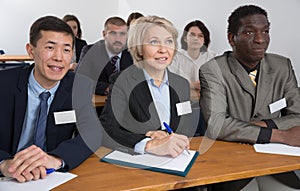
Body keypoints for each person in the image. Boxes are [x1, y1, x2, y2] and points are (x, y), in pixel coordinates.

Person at [199, 5, 300, 191]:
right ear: (232, 39)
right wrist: (281, 134)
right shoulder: (213, 70)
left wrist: (264, 125)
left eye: (265, 31)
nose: (260, 39)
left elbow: (298, 115)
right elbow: (217, 124)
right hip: (233, 164)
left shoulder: (282, 66)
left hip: (276, 161)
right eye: (249, 33)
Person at [0, 16, 101, 183]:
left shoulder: (79, 86)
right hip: (8, 177)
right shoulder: (4, 84)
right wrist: (4, 164)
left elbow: (92, 133)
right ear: (31, 51)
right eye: (50, 47)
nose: (59, 57)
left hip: (49, 177)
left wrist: (56, 159)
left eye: (66, 49)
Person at [100, 15, 198, 157]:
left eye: (169, 41)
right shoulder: (123, 81)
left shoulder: (181, 84)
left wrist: (168, 137)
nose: (163, 49)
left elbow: (186, 126)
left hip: (176, 157)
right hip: (141, 160)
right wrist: (148, 142)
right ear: (139, 48)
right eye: (154, 42)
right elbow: (107, 129)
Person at [76, 16, 133, 95]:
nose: (118, 39)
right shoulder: (90, 51)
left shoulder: (131, 52)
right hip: (99, 103)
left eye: (122, 34)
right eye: (113, 34)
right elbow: (79, 80)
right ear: (104, 34)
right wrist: (108, 88)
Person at [168, 20, 215, 90]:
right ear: (185, 38)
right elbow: (170, 80)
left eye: (200, 36)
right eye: (192, 35)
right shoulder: (175, 57)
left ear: (204, 40)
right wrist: (192, 85)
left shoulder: (211, 57)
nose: (196, 38)